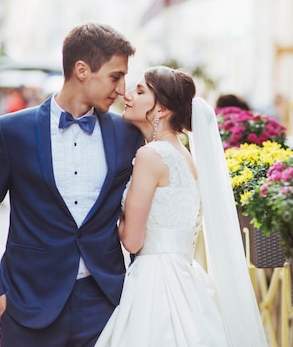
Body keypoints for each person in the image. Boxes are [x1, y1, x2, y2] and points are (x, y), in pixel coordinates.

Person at [0, 22, 144, 347]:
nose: (122, 89)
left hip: (105, 305)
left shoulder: (127, 134)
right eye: (115, 76)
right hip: (28, 305)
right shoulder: (12, 131)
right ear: (82, 70)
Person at [95, 66, 268, 346]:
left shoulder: (150, 156)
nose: (127, 95)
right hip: (186, 275)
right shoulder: (185, 155)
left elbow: (132, 241)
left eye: (139, 91)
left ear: (161, 109)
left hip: (154, 282)